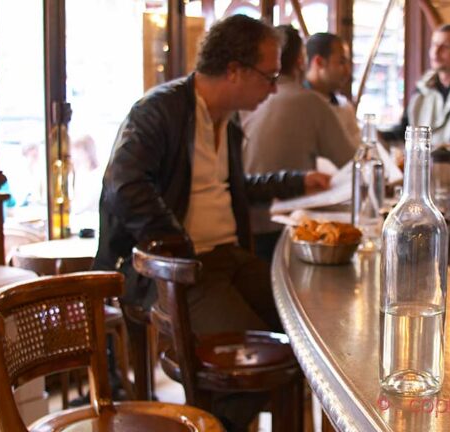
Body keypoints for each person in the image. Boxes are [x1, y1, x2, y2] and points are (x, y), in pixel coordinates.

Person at [93, 15, 329, 429]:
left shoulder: (228, 119)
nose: (274, 88)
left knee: (309, 334)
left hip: (229, 259)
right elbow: (122, 184)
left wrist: (297, 180)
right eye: (269, 76)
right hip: (181, 270)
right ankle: (211, 422)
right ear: (235, 70)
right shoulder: (159, 111)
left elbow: (230, 186)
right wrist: (176, 242)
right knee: (256, 366)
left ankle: (221, 417)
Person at [243, 25, 356, 261]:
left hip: (243, 225)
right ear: (300, 61)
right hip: (283, 228)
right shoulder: (311, 102)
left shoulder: (245, 101)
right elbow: (352, 162)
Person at [379, 23, 450, 146]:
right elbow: (405, 131)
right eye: (434, 45)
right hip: (422, 162)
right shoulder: (422, 89)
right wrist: (379, 135)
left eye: (445, 47)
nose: (436, 52)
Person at [304, 32, 361, 145]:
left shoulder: (344, 107)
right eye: (342, 62)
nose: (347, 71)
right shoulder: (297, 106)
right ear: (319, 62)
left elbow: (356, 152)